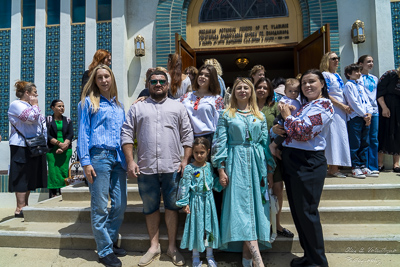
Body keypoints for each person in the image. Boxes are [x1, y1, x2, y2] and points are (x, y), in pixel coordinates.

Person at [121, 70, 193, 266]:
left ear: (168, 85)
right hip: (146, 167)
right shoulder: (138, 108)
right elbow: (127, 134)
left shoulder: (178, 107)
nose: (158, 84)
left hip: (172, 167)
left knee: (172, 207)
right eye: (154, 81)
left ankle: (171, 247)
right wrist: (130, 161)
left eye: (162, 81)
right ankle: (154, 246)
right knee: (150, 207)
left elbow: (187, 135)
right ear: (148, 83)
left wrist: (185, 160)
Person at [212, 77, 275, 267]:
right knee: (241, 211)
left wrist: (269, 171)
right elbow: (219, 143)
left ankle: (248, 260)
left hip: (257, 166)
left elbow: (265, 145)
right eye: (238, 87)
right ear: (234, 92)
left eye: (246, 87)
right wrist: (221, 170)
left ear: (251, 91)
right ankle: (259, 261)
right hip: (235, 164)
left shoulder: (260, 116)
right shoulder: (226, 115)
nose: (242, 90)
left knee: (255, 210)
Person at [278, 69, 333, 267]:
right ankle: (309, 256)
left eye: (312, 82)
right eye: (304, 83)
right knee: (299, 214)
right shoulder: (305, 106)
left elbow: (303, 132)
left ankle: (318, 262)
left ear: (322, 84)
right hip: (293, 160)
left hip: (308, 163)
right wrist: (278, 128)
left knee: (308, 214)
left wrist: (286, 116)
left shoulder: (325, 105)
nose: (307, 86)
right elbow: (290, 129)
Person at [77, 64, 127, 267]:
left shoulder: (119, 106)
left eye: (107, 76)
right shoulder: (88, 103)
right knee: (99, 207)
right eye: (100, 78)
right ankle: (105, 250)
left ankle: (109, 239)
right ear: (95, 81)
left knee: (121, 204)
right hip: (98, 157)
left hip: (118, 158)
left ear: (112, 79)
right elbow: (83, 134)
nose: (104, 80)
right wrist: (86, 162)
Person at [255, 77, 294, 239]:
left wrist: (275, 146)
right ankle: (259, 225)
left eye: (265, 87)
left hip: (273, 153)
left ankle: (276, 225)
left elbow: (285, 127)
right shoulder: (248, 107)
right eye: (259, 87)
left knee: (277, 189)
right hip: (254, 154)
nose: (262, 90)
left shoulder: (275, 108)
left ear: (270, 90)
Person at [176, 137, 220, 267]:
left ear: (208, 152)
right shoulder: (189, 168)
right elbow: (184, 186)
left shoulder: (210, 167)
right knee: (196, 227)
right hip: (195, 202)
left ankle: (210, 255)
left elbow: (214, 182)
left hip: (209, 202)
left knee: (209, 228)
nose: (199, 155)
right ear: (192, 153)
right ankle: (195, 256)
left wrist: (221, 183)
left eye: (202, 152)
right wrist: (184, 203)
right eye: (196, 153)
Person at [8, 81, 47, 218]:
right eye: (34, 92)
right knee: (21, 175)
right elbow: (30, 118)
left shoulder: (31, 107)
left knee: (30, 175)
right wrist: (35, 106)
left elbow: (41, 123)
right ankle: (19, 208)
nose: (36, 95)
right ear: (27, 93)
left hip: (34, 145)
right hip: (21, 145)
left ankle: (26, 205)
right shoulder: (16, 105)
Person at [320, 52, 352, 177]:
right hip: (333, 109)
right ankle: (333, 168)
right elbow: (326, 94)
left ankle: (335, 167)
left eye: (337, 58)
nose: (336, 61)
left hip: (341, 111)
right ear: (327, 61)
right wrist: (341, 105)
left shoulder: (337, 75)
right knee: (333, 138)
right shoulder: (325, 75)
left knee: (340, 137)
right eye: (333, 58)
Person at [343, 64, 376, 178]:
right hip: (355, 117)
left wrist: (369, 114)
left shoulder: (360, 86)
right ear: (349, 74)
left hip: (365, 117)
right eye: (356, 71)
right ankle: (355, 166)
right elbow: (353, 102)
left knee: (364, 142)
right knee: (355, 143)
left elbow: (366, 101)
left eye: (359, 71)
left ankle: (363, 165)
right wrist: (363, 115)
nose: (359, 73)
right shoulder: (348, 85)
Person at [46, 99, 74, 198]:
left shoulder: (67, 120)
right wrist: (59, 144)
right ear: (53, 108)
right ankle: (53, 193)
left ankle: (63, 191)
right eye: (59, 106)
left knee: (63, 170)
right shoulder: (48, 120)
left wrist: (64, 146)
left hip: (65, 149)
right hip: (52, 149)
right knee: (53, 171)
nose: (61, 108)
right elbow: (47, 135)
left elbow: (70, 134)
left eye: (63, 106)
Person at [357, 55, 380, 174]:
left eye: (372, 61)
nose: (371, 63)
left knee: (374, 138)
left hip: (374, 111)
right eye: (368, 61)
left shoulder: (375, 78)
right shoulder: (357, 78)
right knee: (364, 139)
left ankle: (373, 166)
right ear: (361, 64)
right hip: (363, 112)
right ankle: (363, 165)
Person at [269, 78, 301, 157]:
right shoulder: (285, 99)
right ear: (285, 92)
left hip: (291, 121)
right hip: (282, 119)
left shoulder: (298, 101)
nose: (293, 93)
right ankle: (273, 146)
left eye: (295, 91)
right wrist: (288, 107)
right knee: (283, 134)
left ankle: (278, 150)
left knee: (287, 136)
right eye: (290, 91)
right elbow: (280, 106)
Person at [376, 67, 400, 172]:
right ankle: (379, 163)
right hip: (386, 106)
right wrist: (384, 107)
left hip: (399, 108)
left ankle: (396, 164)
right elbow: (379, 92)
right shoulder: (390, 74)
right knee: (383, 132)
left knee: (398, 134)